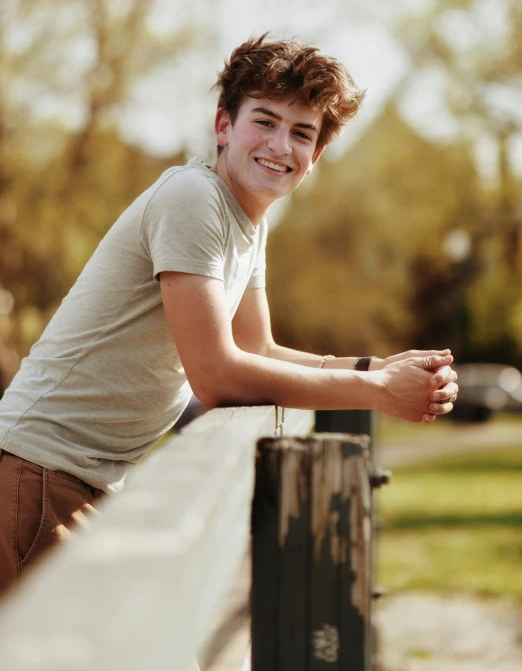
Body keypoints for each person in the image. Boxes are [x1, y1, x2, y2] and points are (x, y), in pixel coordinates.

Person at [0, 35, 458, 601]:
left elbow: (258, 348)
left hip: (72, 482)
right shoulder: (193, 198)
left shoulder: (247, 222)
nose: (280, 144)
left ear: (314, 158)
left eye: (301, 133)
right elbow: (216, 376)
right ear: (223, 125)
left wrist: (378, 367)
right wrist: (377, 392)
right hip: (35, 477)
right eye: (264, 121)